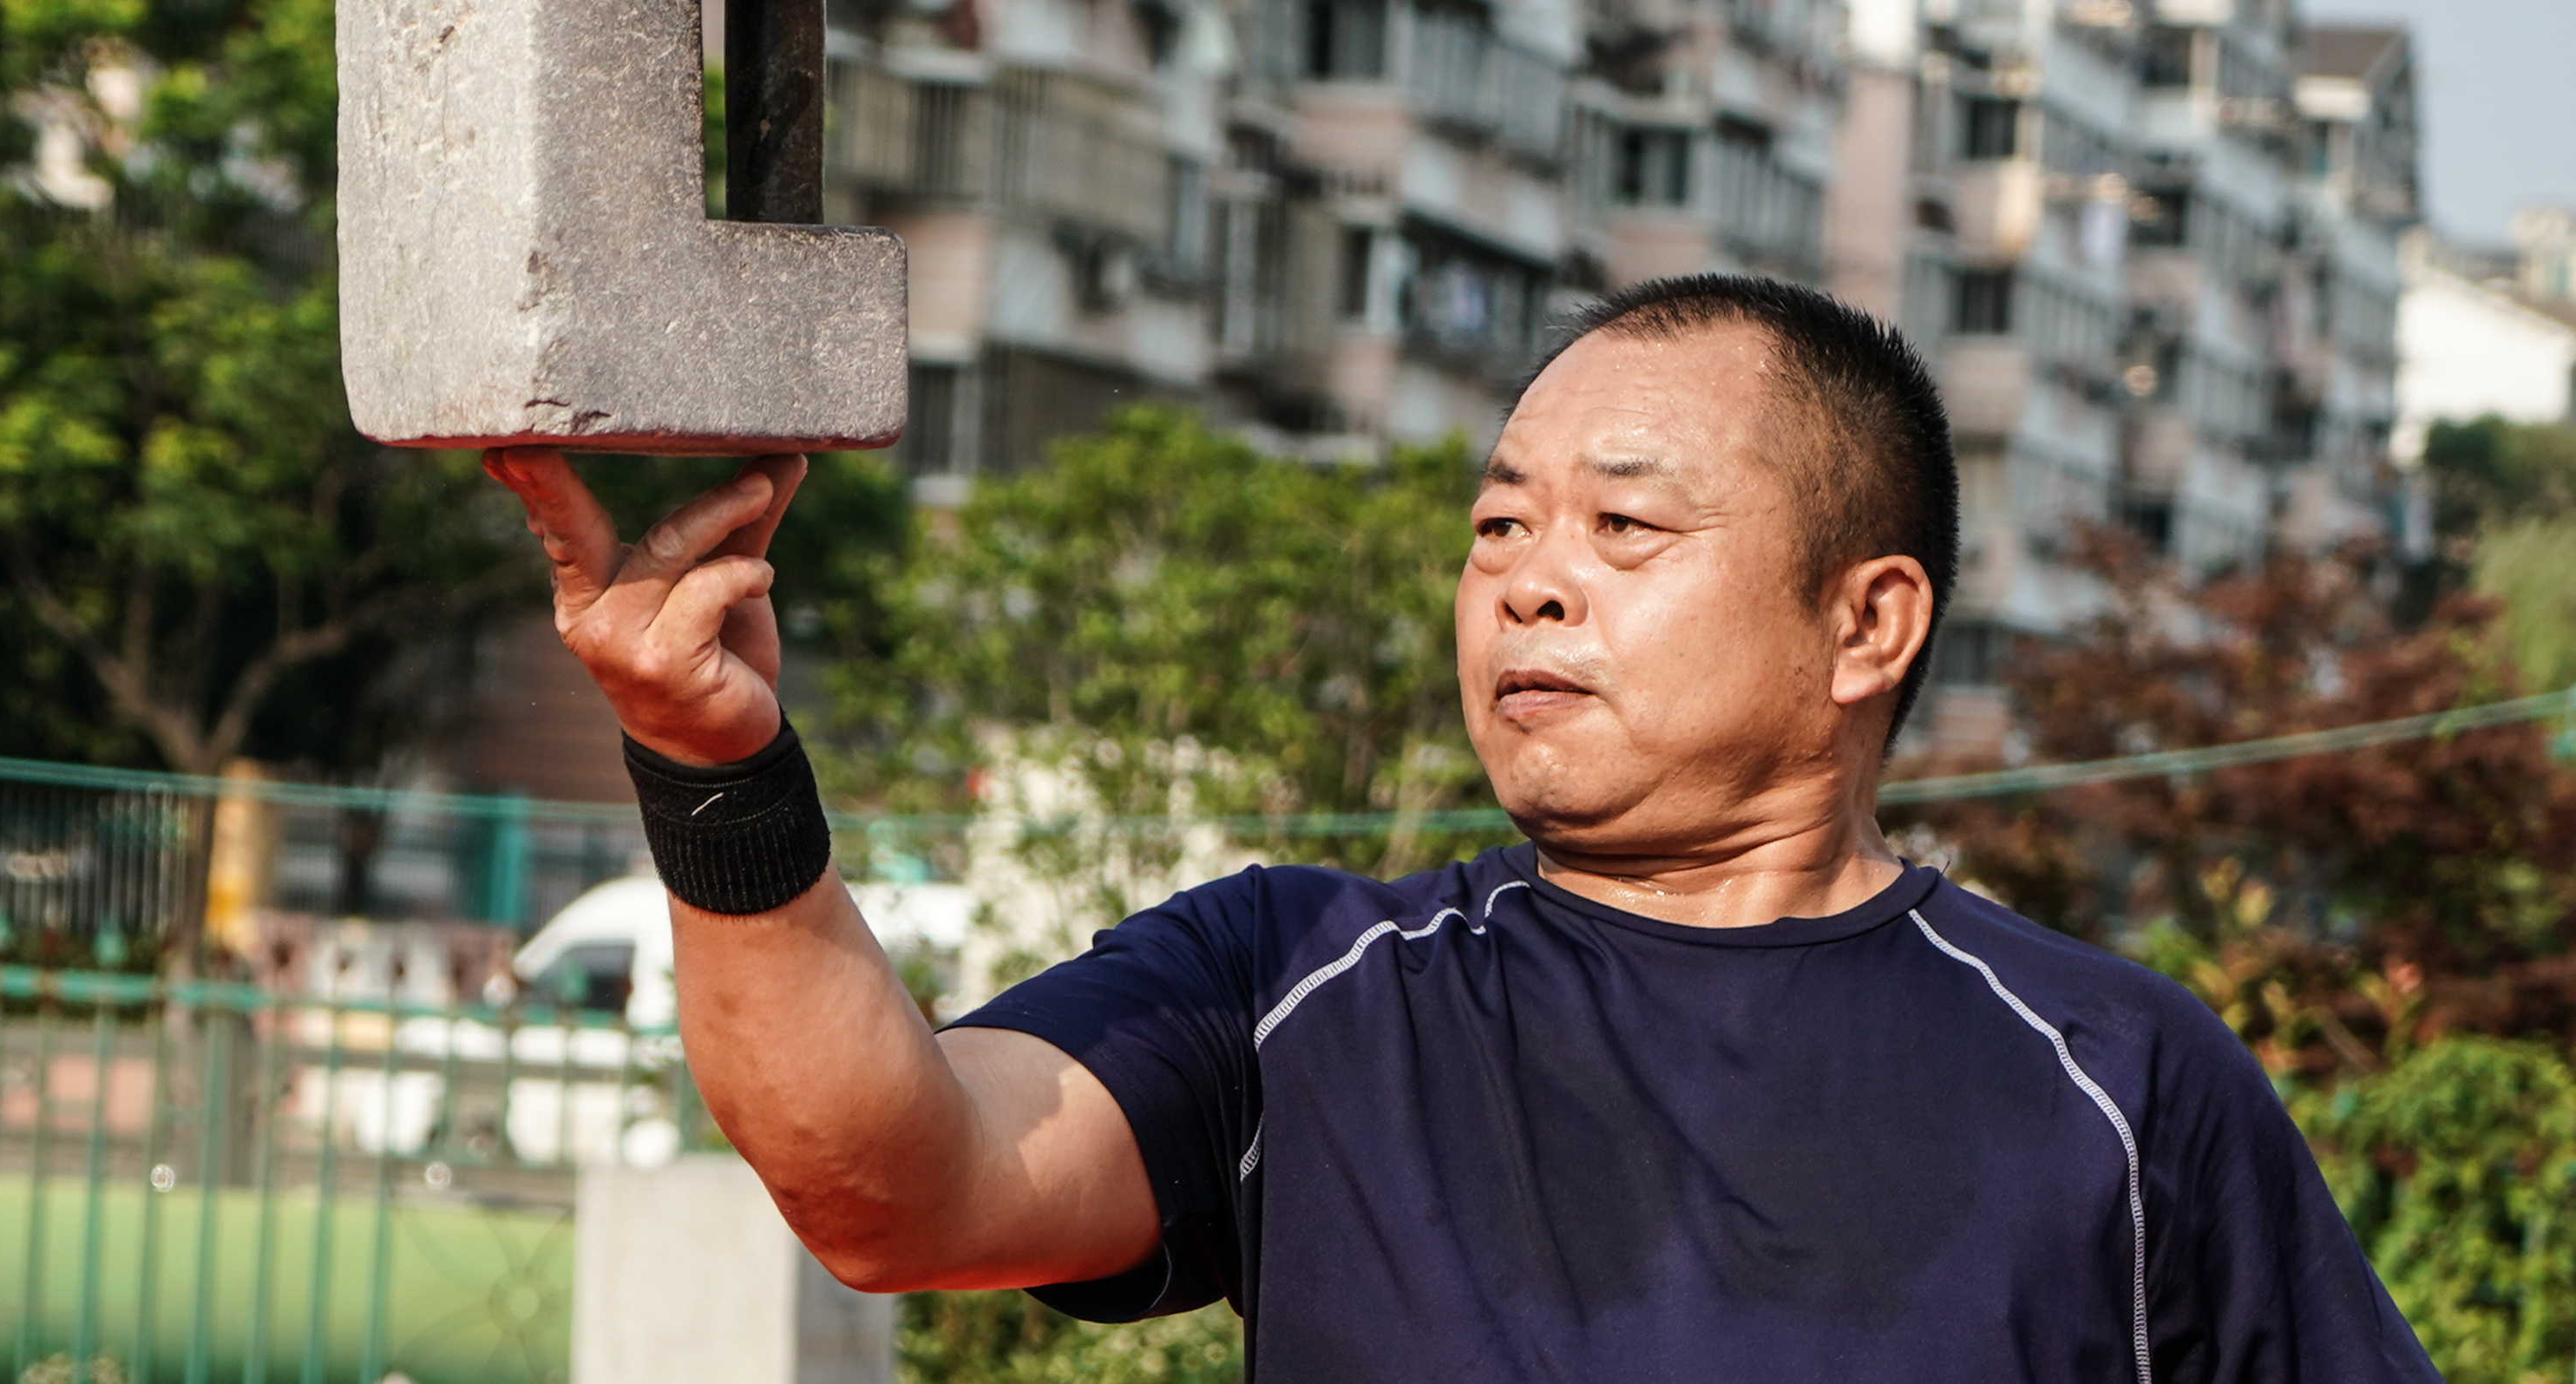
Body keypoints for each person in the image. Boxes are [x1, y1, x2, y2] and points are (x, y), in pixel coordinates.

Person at [485, 274, 2435, 1382]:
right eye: (1500, 523)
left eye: (1625, 526)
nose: (1528, 580)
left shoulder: (2118, 1082)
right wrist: (710, 763)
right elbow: (892, 1189)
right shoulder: (1303, 992)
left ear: (1868, 623)